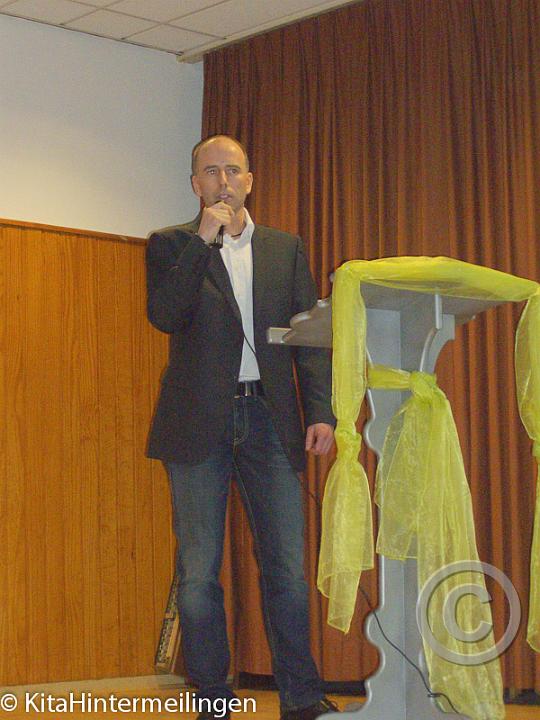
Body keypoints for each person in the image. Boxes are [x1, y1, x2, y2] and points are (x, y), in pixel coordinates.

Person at [145, 135, 337, 720]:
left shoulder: (285, 248)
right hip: (196, 422)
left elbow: (311, 339)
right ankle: (212, 700)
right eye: (210, 171)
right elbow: (165, 315)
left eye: (233, 170)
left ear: (250, 180)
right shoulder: (171, 244)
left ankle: (300, 697)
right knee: (199, 570)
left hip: (269, 419)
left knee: (286, 567)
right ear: (196, 185)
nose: (223, 180)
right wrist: (203, 240)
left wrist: (321, 411)